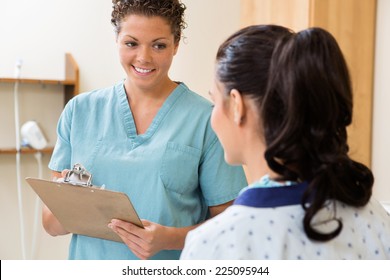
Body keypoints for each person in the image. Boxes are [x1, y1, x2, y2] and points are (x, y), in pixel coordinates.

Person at [42, 0, 247, 260]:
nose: (143, 58)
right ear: (116, 39)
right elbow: (50, 224)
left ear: (176, 44)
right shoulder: (80, 111)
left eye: (159, 45)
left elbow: (232, 226)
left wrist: (169, 239)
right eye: (131, 43)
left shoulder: (206, 119)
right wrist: (74, 204)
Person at [180, 24, 390, 259]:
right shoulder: (376, 219)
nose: (213, 118)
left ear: (237, 106)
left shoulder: (216, 245)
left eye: (215, 100)